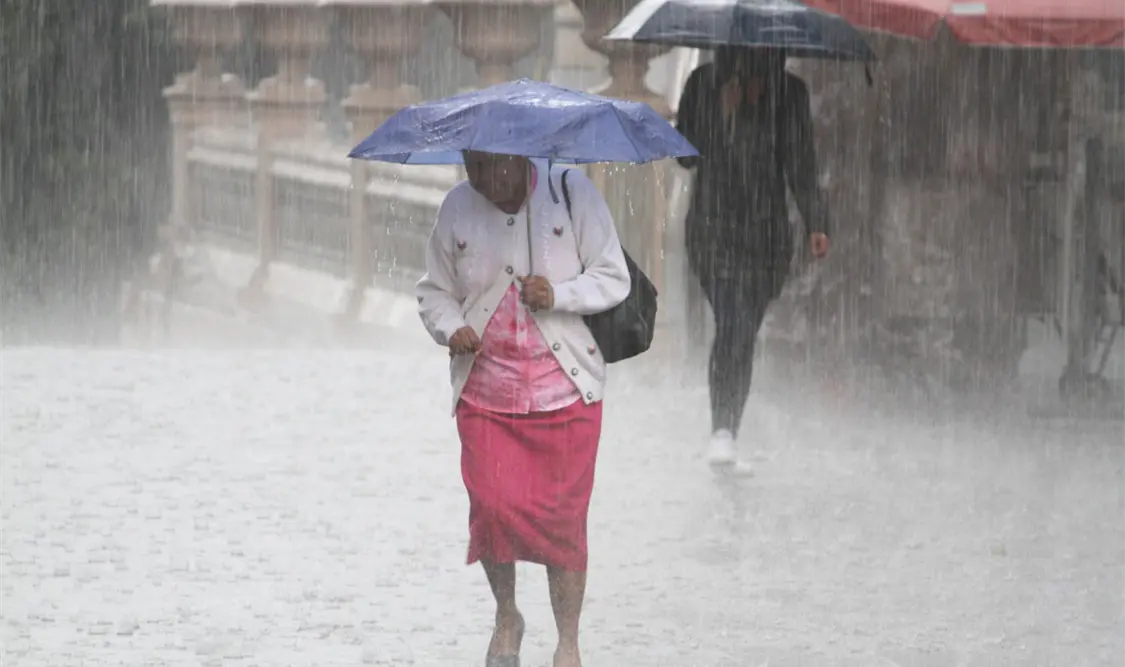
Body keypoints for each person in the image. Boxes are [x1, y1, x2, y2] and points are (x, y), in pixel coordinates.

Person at [416, 150, 630, 667]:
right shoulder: (457, 208)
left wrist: (559, 293)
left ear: (518, 156)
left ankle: (568, 641)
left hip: (565, 391)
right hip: (487, 395)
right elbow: (434, 294)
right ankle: (507, 615)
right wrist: (452, 328)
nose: (484, 178)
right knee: (491, 509)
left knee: (563, 524)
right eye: (473, 165)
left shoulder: (570, 193)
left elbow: (613, 277)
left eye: (494, 166)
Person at [676, 47, 831, 476]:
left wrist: (817, 221)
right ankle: (721, 430)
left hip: (766, 237)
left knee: (744, 330)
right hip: (714, 231)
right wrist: (721, 114)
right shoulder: (703, 84)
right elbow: (684, 156)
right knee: (733, 323)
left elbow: (801, 163)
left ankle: (728, 430)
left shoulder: (790, 94)